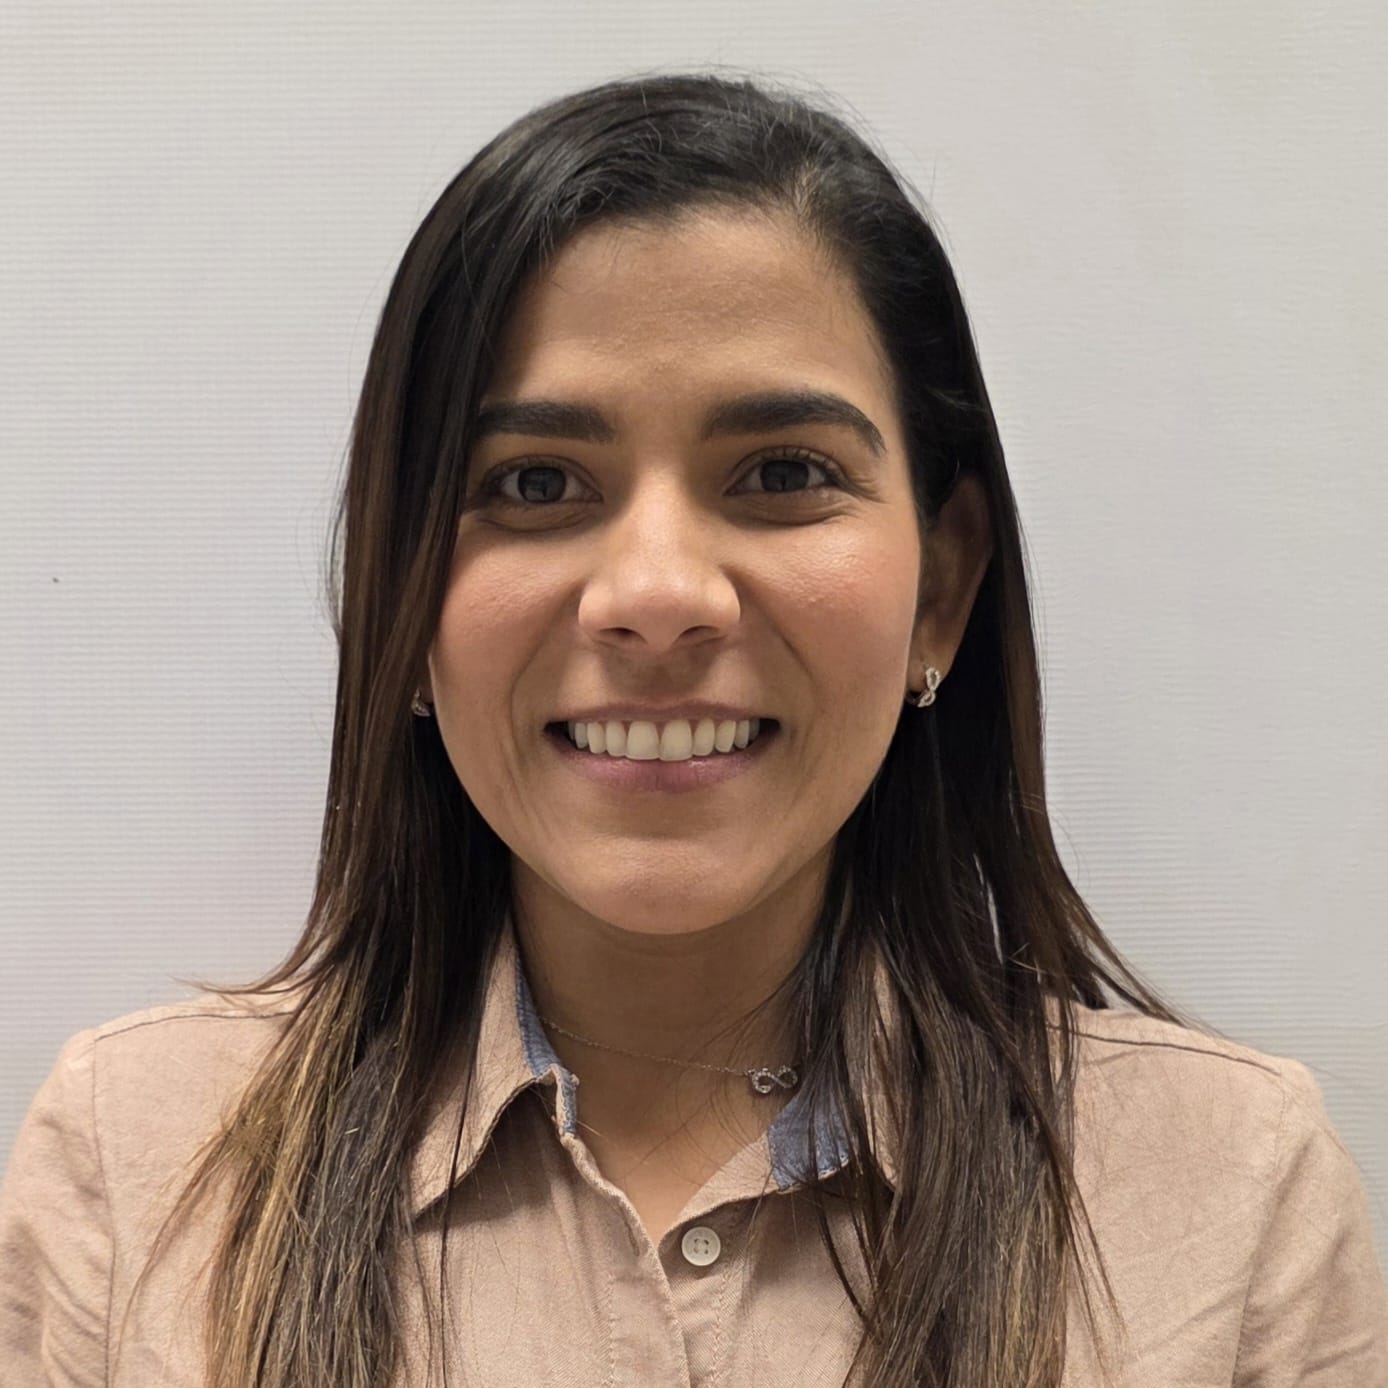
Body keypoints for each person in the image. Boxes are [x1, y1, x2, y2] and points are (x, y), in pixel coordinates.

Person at [1, 70, 1384, 1388]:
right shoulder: (138, 1166)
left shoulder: (1228, 1192)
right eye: (534, 483)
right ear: (403, 603)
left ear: (941, 589)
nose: (657, 597)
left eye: (782, 473)